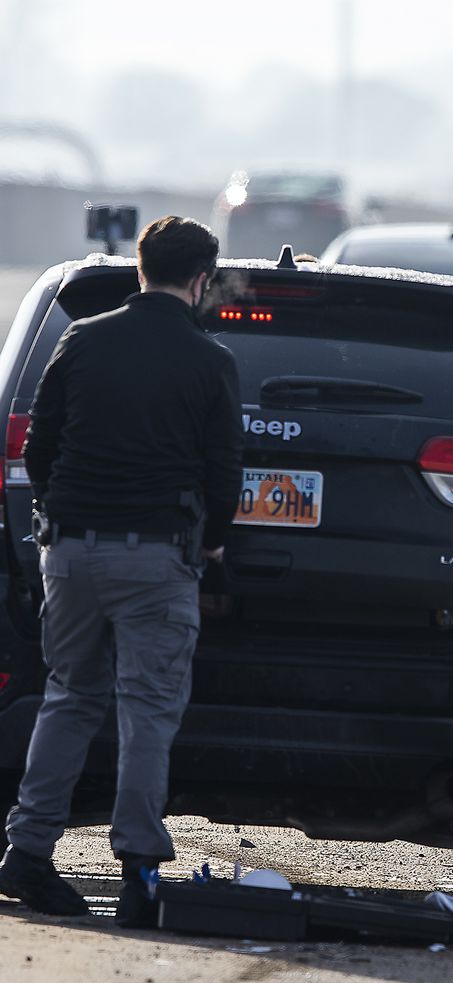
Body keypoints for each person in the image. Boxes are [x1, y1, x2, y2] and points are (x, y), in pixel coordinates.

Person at [0, 216, 244, 925]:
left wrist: (57, 519)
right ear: (200, 279)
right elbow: (224, 473)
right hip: (156, 559)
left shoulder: (82, 338)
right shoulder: (209, 361)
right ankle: (138, 870)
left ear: (141, 268)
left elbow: (38, 448)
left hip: (70, 552)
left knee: (69, 695)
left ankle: (28, 851)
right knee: (146, 708)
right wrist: (213, 545)